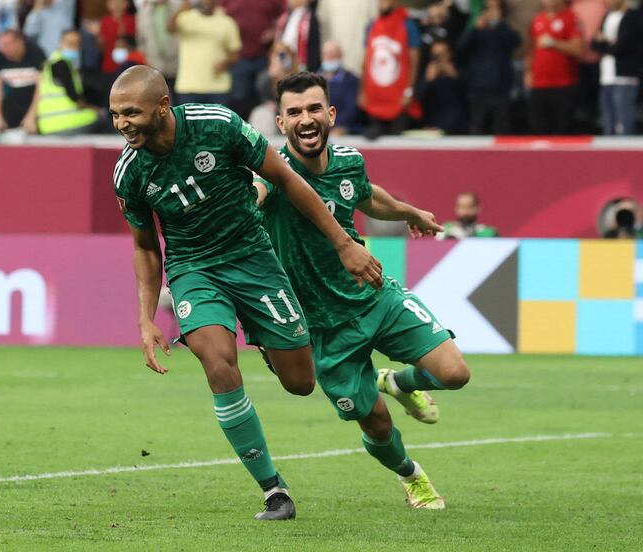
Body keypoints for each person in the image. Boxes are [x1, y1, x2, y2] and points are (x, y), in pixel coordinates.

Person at [109, 65, 381, 520]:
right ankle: (274, 490)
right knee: (218, 362)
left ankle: (270, 343)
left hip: (253, 257)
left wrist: (344, 242)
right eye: (115, 114)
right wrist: (145, 319)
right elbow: (144, 247)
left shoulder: (218, 125)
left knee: (300, 382)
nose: (121, 124)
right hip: (194, 269)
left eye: (131, 113)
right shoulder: (129, 173)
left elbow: (289, 179)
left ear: (162, 107)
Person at [253, 72, 470, 510]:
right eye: (294, 112)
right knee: (375, 423)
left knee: (455, 373)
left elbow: (367, 196)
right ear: (280, 122)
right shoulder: (273, 174)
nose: (306, 119)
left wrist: (413, 212)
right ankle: (412, 476)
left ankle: (397, 380)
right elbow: (250, 197)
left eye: (314, 108)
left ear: (331, 114)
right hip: (322, 329)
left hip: (373, 296)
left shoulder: (349, 159)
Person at [359, 0, 422, 139]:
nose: (381, 3)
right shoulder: (372, 25)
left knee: (397, 143)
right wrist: (362, 90)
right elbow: (366, 60)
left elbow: (414, 61)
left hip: (399, 99)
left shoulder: (408, 24)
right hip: (375, 97)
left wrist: (409, 90)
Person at [457, 0, 520, 135]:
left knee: (502, 127)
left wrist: (499, 24)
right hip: (478, 88)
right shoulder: (477, 30)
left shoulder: (503, 29)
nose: (491, 13)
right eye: (488, 9)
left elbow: (515, 42)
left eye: (495, 9)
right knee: (476, 127)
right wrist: (475, 28)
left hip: (501, 88)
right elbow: (461, 48)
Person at [525, 0, 584, 135]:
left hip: (563, 85)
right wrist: (528, 72)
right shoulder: (537, 19)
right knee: (538, 130)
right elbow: (530, 49)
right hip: (539, 85)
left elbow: (579, 49)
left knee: (562, 131)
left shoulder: (571, 18)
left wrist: (553, 43)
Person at [166, 0, 240, 105]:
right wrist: (179, 11)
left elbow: (235, 54)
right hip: (188, 87)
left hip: (218, 88)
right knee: (188, 122)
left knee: (217, 122)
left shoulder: (227, 22)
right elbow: (169, 29)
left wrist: (225, 63)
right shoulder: (186, 18)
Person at [37, 29, 104, 135]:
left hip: (47, 124)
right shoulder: (61, 64)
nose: (75, 47)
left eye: (77, 44)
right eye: (70, 43)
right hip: (67, 122)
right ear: (60, 43)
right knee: (103, 119)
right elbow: (74, 98)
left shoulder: (50, 63)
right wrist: (96, 109)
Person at [591, 0, 643, 136]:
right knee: (608, 121)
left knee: (624, 120)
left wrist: (604, 42)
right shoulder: (607, 15)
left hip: (625, 76)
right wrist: (609, 43)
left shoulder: (633, 16)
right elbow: (594, 43)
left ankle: (628, 155)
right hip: (606, 76)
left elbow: (622, 46)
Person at [0, 29, 46, 133]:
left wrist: (32, 116)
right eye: (2, 46)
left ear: (20, 42)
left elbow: (41, 86)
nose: (5, 50)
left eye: (8, 45)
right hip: (10, 109)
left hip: (33, 108)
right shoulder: (1, 56)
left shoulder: (36, 53)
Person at [417, 39, 468, 134]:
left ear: (449, 54)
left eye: (442, 54)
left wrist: (455, 76)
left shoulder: (460, 72)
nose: (439, 59)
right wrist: (427, 81)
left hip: (457, 127)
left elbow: (469, 99)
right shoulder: (426, 73)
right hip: (432, 126)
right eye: (435, 56)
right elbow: (419, 98)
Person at [319, 39, 360, 135]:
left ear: (341, 55)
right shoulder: (312, 79)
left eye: (334, 55)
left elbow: (351, 108)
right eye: (327, 54)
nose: (330, 57)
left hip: (343, 131)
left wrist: (338, 126)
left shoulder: (351, 80)